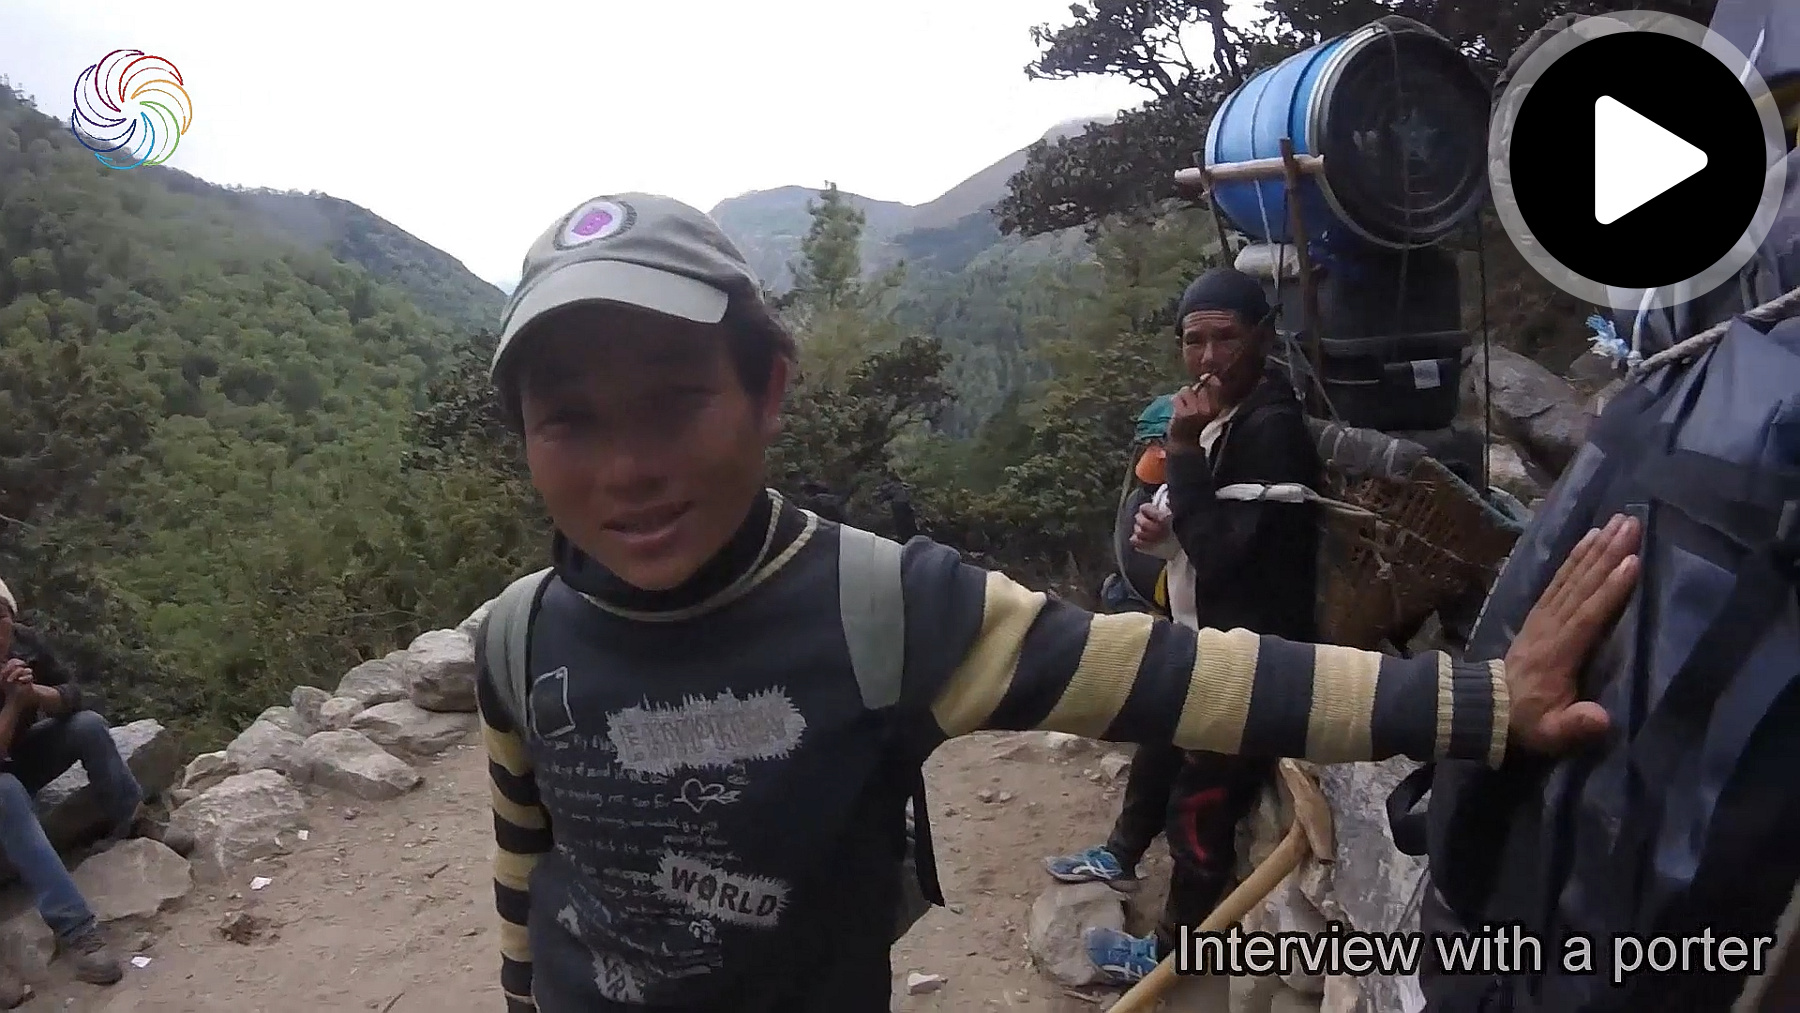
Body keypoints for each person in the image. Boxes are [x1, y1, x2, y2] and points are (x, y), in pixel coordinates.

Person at [475, 192, 1640, 1013]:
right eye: (569, 418)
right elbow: (530, 865)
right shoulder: (521, 638)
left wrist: (1487, 701)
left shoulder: (882, 606)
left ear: (768, 389)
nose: (626, 469)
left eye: (675, 402)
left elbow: (1198, 675)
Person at [1053, 268, 1326, 983]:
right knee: (1156, 738)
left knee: (1201, 803)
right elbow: (1214, 525)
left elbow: (1227, 557)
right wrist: (1165, 528)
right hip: (1207, 632)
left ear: (1261, 336)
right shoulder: (1233, 415)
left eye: (1225, 339)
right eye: (1193, 341)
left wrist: (1179, 446)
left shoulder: (1271, 428)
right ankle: (1119, 854)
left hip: (1254, 655)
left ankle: (1174, 950)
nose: (1207, 358)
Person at [0, 579, 192, 989]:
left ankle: (134, 819)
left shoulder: (24, 644)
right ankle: (76, 930)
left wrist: (35, 693)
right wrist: (14, 704)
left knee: (88, 726)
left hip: (17, 758)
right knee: (6, 793)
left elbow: (73, 695)